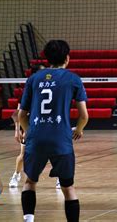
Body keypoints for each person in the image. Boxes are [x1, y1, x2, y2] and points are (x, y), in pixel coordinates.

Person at [18, 40, 89, 222]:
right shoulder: (73, 79)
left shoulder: (34, 79)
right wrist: (79, 130)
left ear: (47, 58)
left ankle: (28, 219)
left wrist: (29, 132)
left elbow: (21, 115)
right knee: (68, 188)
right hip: (61, 141)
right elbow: (84, 116)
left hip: (36, 139)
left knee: (30, 182)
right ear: (67, 58)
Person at [9, 64, 64, 189]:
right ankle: (16, 175)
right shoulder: (28, 90)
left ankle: (60, 178)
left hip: (48, 124)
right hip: (30, 125)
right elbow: (18, 113)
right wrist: (18, 130)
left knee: (56, 153)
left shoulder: (53, 87)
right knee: (23, 155)